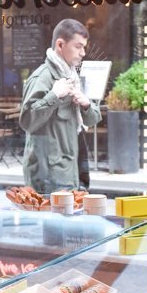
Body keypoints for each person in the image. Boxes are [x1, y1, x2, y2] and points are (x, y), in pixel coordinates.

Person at [20, 19, 99, 194]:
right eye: (78, 47)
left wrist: (86, 104)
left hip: (71, 169)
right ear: (60, 44)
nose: (83, 53)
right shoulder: (42, 77)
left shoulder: (72, 77)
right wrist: (54, 95)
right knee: (53, 220)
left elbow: (92, 119)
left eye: (84, 47)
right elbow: (27, 121)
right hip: (49, 176)